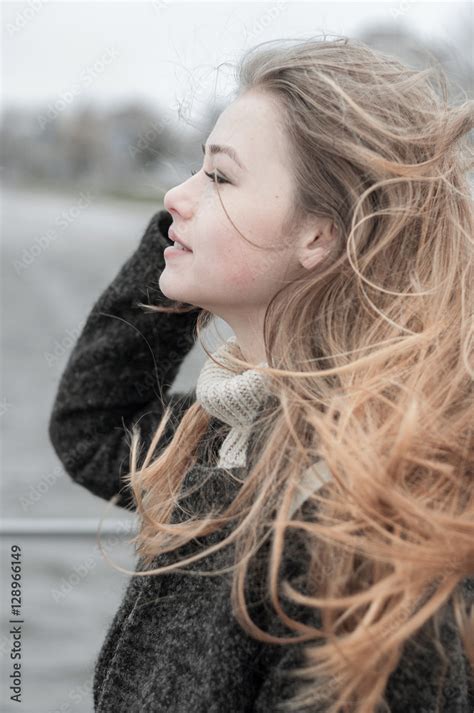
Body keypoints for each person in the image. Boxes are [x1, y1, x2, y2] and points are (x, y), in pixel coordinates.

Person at [48, 36, 473, 713]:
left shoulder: (364, 530)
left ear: (321, 234)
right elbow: (95, 425)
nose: (174, 198)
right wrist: (188, 238)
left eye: (220, 176)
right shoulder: (232, 434)